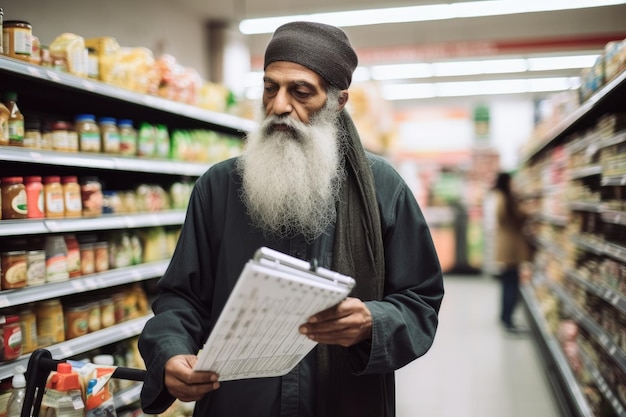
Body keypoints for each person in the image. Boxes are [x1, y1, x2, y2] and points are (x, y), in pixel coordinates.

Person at [138, 21, 444, 417]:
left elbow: (421, 300)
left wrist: (373, 321)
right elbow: (182, 296)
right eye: (270, 87)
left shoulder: (383, 188)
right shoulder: (219, 186)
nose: (279, 106)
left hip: (344, 403)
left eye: (300, 92)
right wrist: (171, 352)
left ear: (337, 101)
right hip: (237, 402)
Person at [491, 172, 532, 333]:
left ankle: (504, 316)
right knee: (511, 283)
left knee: (507, 282)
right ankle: (508, 319)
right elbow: (517, 216)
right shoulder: (505, 199)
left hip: (507, 245)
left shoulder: (500, 197)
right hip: (511, 247)